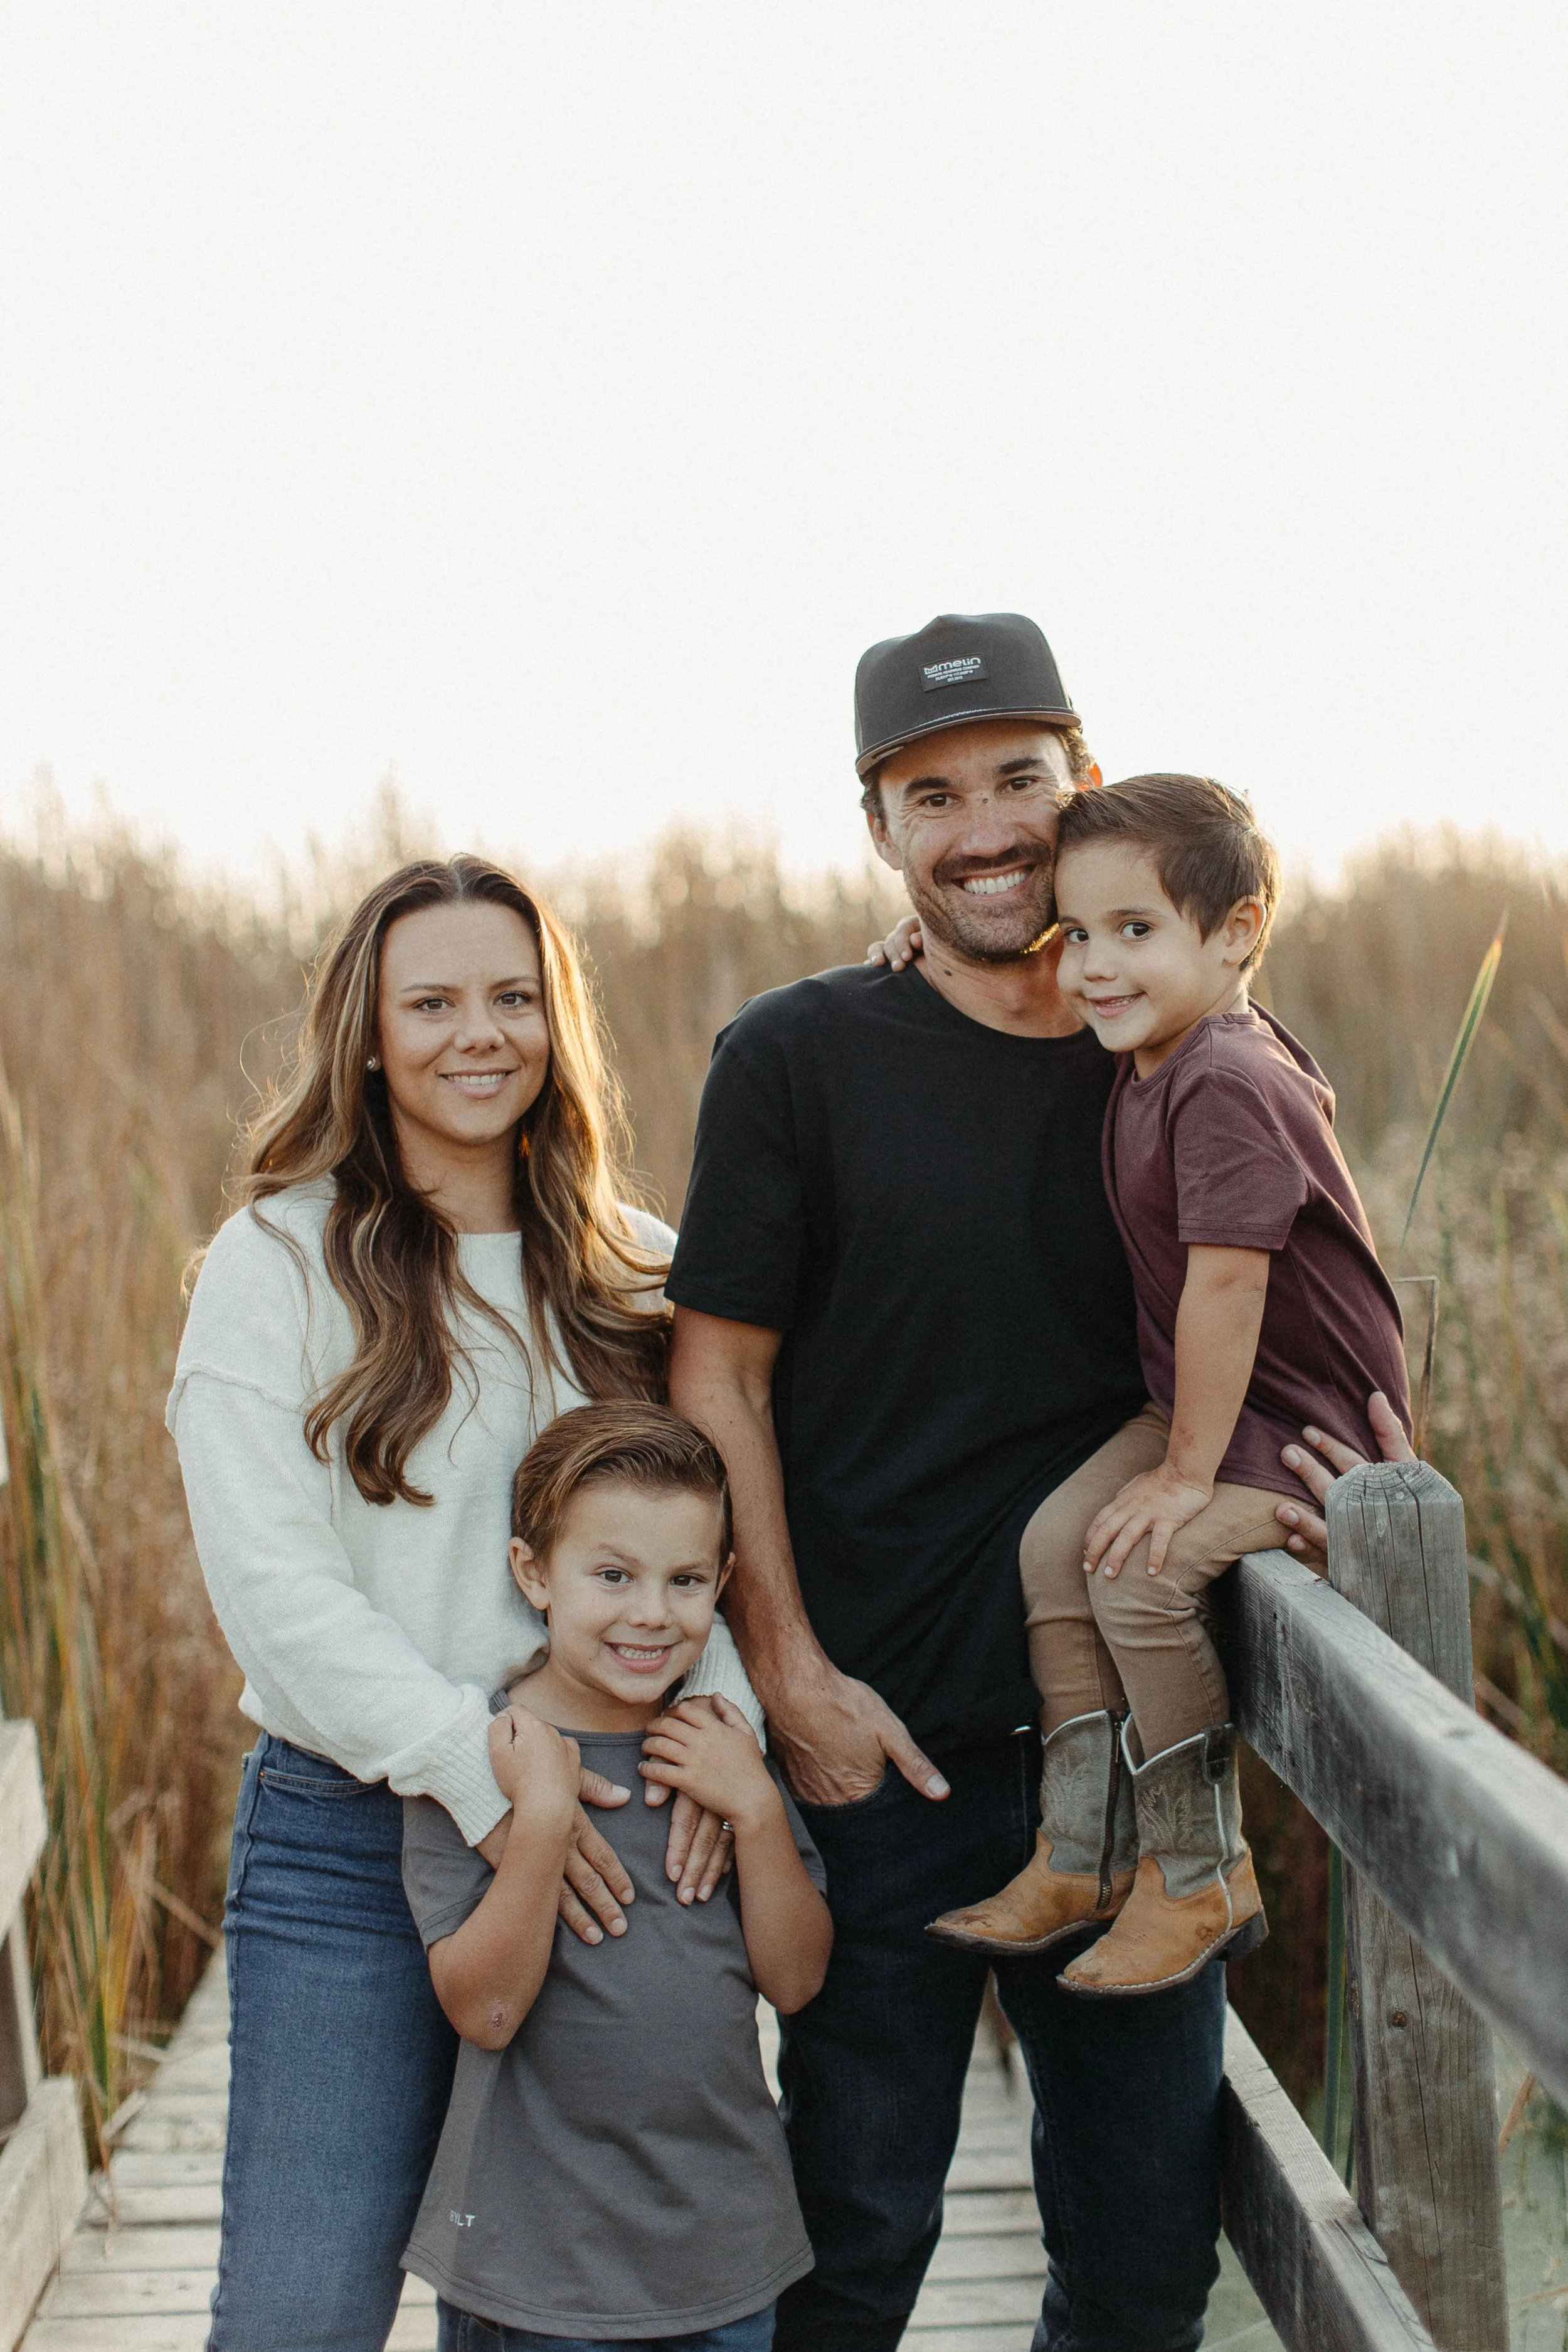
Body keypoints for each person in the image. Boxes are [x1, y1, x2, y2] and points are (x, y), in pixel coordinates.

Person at [665, 613, 1231, 2352]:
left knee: (1143, 2265)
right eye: (932, 793)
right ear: (878, 831)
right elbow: (719, 1375)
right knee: (850, 2248)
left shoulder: (1176, 1045)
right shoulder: (794, 1054)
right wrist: (790, 1678)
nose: (982, 825)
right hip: (881, 1753)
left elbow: (1273, 1282)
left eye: (1018, 779)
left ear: (1082, 789)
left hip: (1128, 1770)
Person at [167, 854, 758, 2352]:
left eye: (510, 997)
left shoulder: (636, 1268)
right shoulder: (277, 1261)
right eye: (428, 1002)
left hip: (617, 1835)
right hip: (355, 1844)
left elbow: (712, 1548)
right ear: (365, 1033)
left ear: (556, 1021)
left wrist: (725, 1733)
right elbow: (271, 1584)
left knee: (574, 2314)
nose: (474, 1033)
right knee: (301, 2312)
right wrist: (481, 1784)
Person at [928, 775, 1412, 1994]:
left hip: (1290, 1430)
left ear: (1235, 932)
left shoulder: (1223, 1078)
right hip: (1204, 1408)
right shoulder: (1156, 1049)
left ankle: (1197, 1873)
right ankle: (1084, 1847)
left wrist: (1189, 1476)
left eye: (1130, 932)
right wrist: (908, 946)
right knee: (1054, 1546)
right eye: (1073, 933)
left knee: (1139, 1578)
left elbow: (1229, 1289)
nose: (1090, 964)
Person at [401, 1401, 832, 2351]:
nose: (650, 1611)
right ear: (533, 1573)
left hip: (721, 2252)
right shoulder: (482, 1760)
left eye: (684, 1579)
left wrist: (756, 1808)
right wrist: (544, 1820)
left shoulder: (723, 1749)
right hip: (535, 2271)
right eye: (611, 1574)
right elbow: (488, 2012)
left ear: (723, 1580)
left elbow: (796, 1980)